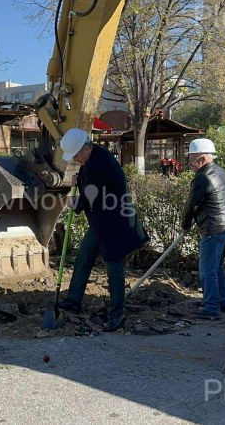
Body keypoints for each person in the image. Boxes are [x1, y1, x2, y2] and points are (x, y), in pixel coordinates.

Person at [57, 128, 149, 332]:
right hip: (100, 222)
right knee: (83, 256)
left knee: (114, 267)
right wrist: (79, 179)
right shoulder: (94, 157)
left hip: (115, 223)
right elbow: (89, 179)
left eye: (76, 155)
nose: (75, 160)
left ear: (86, 148)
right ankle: (73, 300)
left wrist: (73, 203)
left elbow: (89, 197)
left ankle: (118, 314)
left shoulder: (99, 163)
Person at [181, 138, 225, 320]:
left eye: (191, 160)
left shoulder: (202, 177)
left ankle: (211, 307)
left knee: (207, 270)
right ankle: (224, 301)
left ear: (202, 159)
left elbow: (191, 204)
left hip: (213, 228)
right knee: (217, 267)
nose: (189, 164)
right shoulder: (220, 171)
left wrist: (185, 225)